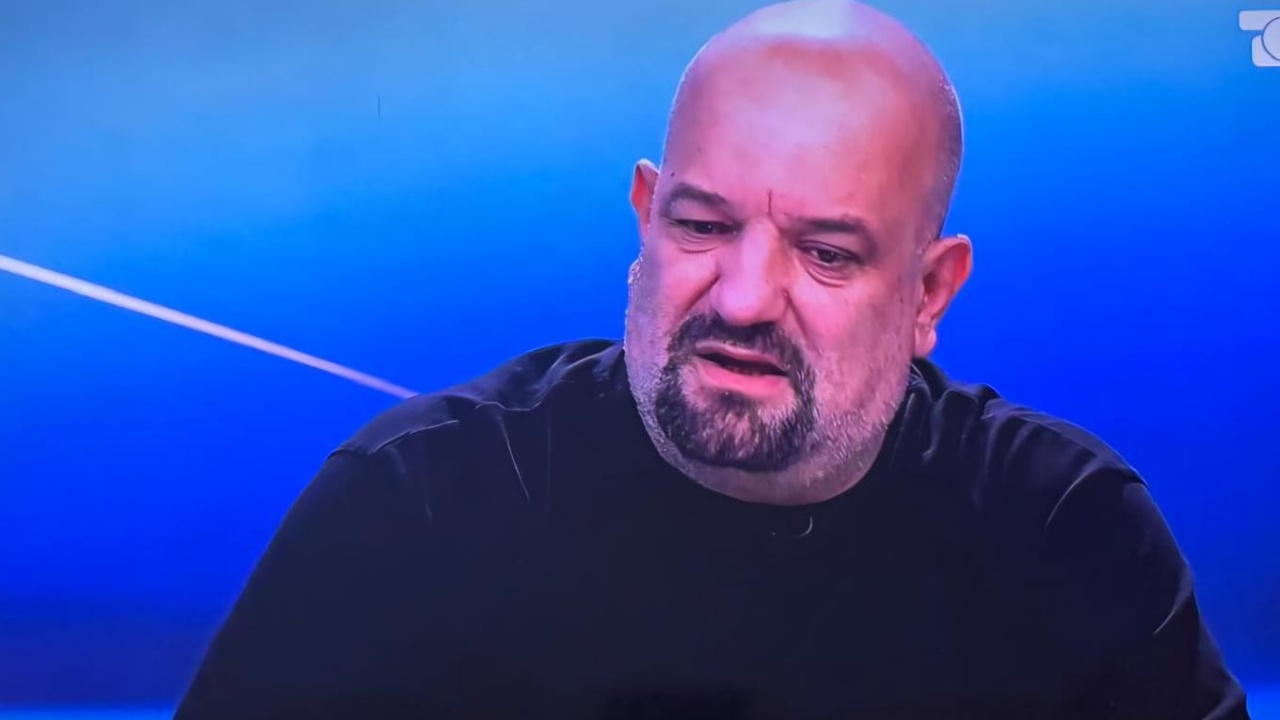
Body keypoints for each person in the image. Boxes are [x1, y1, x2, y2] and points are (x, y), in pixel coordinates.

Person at [175, 1, 1251, 718]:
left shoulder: (1066, 531)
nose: (741, 300)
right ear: (645, 216)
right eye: (701, 227)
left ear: (929, 293)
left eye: (825, 254)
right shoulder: (417, 500)